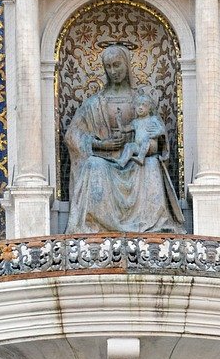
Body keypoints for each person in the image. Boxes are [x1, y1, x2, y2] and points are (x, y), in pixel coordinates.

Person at [64, 43, 185, 235]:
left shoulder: (143, 101)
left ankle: (153, 226)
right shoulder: (94, 103)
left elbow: (159, 136)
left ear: (127, 65)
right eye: (109, 67)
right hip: (105, 159)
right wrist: (99, 145)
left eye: (117, 65)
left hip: (138, 159)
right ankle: (97, 226)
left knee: (152, 165)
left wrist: (154, 142)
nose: (113, 71)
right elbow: (72, 136)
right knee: (94, 165)